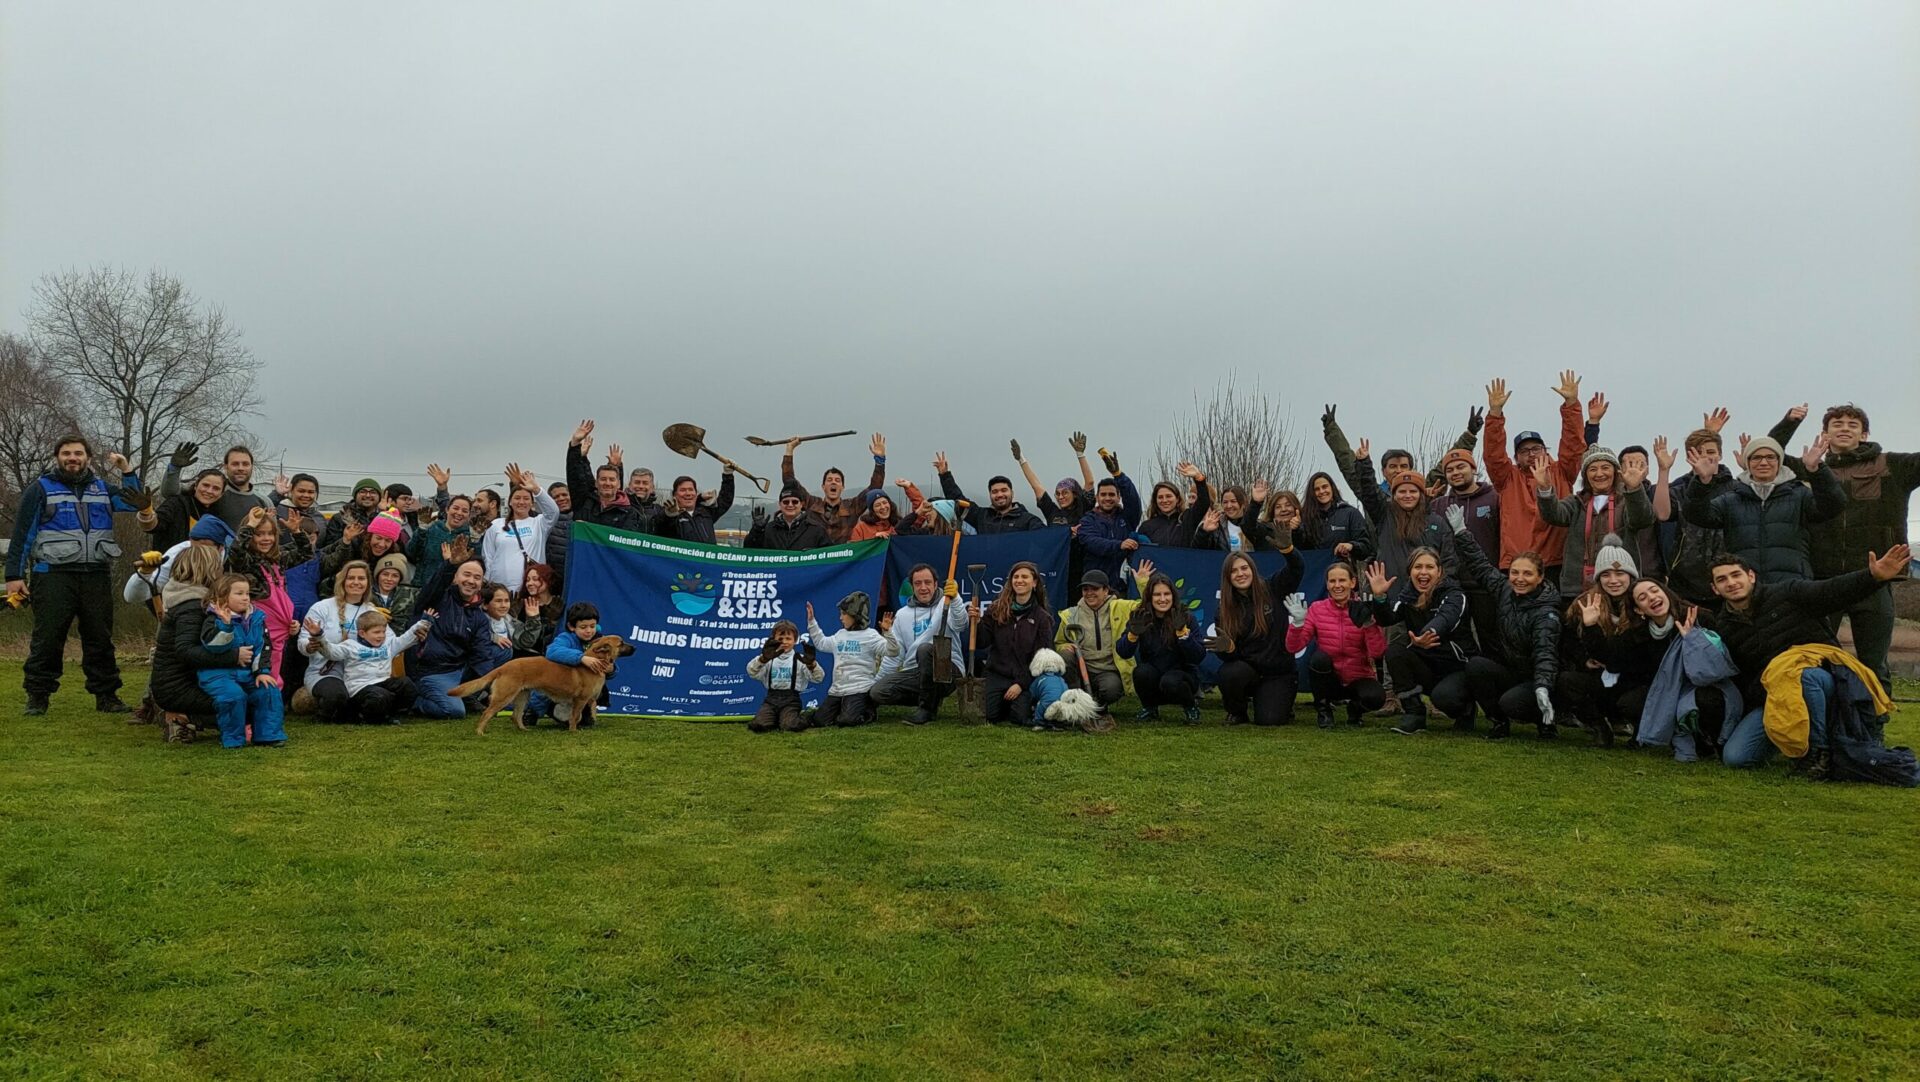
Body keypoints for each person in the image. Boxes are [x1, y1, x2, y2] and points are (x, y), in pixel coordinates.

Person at [1703, 546, 1911, 772]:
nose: (1731, 583)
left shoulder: (1788, 593)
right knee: (1736, 758)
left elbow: (1832, 590)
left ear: (1751, 576)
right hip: (1776, 695)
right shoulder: (1724, 628)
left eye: (1736, 575)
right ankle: (1796, 740)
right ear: (1715, 589)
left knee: (1801, 674)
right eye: (1722, 579)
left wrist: (1872, 577)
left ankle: (1817, 753)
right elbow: (1742, 680)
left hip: (1822, 682)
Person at [1772, 403, 1920, 689]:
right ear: (1825, 434)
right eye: (1836, 424)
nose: (1844, 428)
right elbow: (1770, 453)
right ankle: (1823, 727)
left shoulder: (1892, 466)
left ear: (1864, 435)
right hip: (1824, 580)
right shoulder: (1808, 469)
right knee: (1817, 660)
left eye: (1852, 425)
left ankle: (1872, 730)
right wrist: (1789, 421)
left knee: (1873, 665)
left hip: (1874, 578)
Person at [7, 435, 144, 716]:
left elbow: (134, 504)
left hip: (95, 573)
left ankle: (107, 696)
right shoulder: (40, 489)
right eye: (67, 453)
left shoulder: (102, 488)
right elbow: (22, 534)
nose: (73, 458)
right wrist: (14, 575)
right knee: (48, 638)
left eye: (78, 453)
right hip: (53, 575)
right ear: (57, 457)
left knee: (100, 638)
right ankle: (37, 696)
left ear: (88, 458)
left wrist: (127, 470)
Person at [1444, 504, 1561, 740]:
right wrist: (1461, 532)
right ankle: (1498, 722)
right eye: (1515, 573)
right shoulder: (1505, 591)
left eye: (1527, 574)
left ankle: (1545, 723)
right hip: (1512, 671)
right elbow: (1481, 566)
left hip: (1538, 678)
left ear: (1540, 578)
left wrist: (1542, 686)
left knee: (1512, 703)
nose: (1519, 579)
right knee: (1476, 666)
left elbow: (1545, 654)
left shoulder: (1547, 611)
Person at [1682, 434, 1845, 585]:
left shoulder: (1799, 494)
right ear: (1748, 463)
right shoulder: (1731, 499)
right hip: (1747, 587)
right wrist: (1702, 482)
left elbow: (1833, 506)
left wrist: (1817, 471)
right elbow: (1697, 515)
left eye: (1770, 457)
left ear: (1779, 461)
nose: (1764, 462)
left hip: (1792, 584)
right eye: (1756, 458)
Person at [1482, 371, 1588, 578]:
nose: (1531, 455)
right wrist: (1495, 414)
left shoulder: (1563, 471)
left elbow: (1573, 444)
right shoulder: (1506, 478)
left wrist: (1572, 405)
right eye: (1524, 451)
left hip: (1557, 562)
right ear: (1516, 457)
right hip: (1517, 565)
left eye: (1536, 449)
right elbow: (1493, 454)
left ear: (1546, 451)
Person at [1552, 539, 1651, 746]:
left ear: (1631, 576)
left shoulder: (1645, 605)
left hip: (1635, 680)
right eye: (1606, 575)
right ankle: (1599, 726)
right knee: (1567, 681)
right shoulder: (1584, 604)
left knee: (1633, 701)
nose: (1613, 580)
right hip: (1601, 677)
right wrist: (1585, 659)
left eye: (1619, 574)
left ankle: (1641, 732)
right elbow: (1569, 643)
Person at [1366, 551, 1472, 735]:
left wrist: (1428, 633)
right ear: (1410, 572)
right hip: (1428, 666)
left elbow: (1446, 618)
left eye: (1429, 567)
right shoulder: (1407, 596)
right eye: (1418, 567)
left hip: (1456, 667)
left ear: (1439, 572)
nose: (1423, 572)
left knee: (1444, 698)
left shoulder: (1454, 594)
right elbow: (1387, 619)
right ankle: (1414, 713)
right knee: (1395, 651)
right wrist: (1380, 597)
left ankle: (1466, 709)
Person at [1535, 446, 1653, 598]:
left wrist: (1634, 488)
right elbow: (1554, 515)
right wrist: (1545, 489)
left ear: (1616, 472)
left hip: (1621, 586)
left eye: (1605, 468)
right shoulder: (1576, 502)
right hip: (1578, 588)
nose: (1599, 474)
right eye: (1592, 469)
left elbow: (1642, 519)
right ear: (1585, 476)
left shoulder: (1626, 500)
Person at [1210, 547, 1306, 726]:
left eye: (1244, 568)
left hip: (1279, 673)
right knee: (1229, 673)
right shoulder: (1224, 610)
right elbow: (1228, 657)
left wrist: (1288, 549)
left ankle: (1280, 702)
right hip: (1249, 671)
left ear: (1252, 569)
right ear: (1227, 577)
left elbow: (1297, 568)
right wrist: (1228, 649)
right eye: (1234, 571)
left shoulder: (1274, 587)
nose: (1240, 574)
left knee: (1269, 720)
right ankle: (1237, 712)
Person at [1286, 562, 1388, 728]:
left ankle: (1355, 710)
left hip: (1358, 678)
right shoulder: (1316, 609)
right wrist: (1297, 624)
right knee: (1319, 659)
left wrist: (1369, 624)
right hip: (1330, 679)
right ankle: (1324, 710)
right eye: (1332, 581)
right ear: (1327, 584)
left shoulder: (1363, 609)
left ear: (1352, 583)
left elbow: (1377, 653)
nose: (1337, 585)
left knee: (1376, 698)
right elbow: (1294, 647)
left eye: (1342, 580)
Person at [194, 573, 287, 748]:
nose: (245, 598)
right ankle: (233, 739)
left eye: (247, 593)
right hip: (218, 675)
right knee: (233, 696)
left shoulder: (256, 618)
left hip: (247, 673)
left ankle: (269, 735)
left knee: (269, 690)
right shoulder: (213, 618)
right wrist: (226, 625)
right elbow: (214, 647)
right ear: (222, 596)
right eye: (239, 593)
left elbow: (264, 647)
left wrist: (262, 672)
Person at [149, 544, 229, 743]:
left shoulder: (182, 598)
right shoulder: (192, 606)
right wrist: (234, 656)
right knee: (241, 706)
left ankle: (183, 718)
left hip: (174, 684)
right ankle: (182, 719)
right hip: (177, 688)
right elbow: (186, 651)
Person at [870, 564, 968, 724]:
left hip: (948, 670)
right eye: (918, 583)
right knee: (878, 691)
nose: (923, 588)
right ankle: (932, 699)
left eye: (928, 582)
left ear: (936, 584)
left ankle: (926, 711)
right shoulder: (902, 615)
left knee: (925, 649)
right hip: (916, 672)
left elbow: (961, 625)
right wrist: (873, 687)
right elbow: (894, 655)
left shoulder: (948, 602)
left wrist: (956, 598)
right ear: (912, 586)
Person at [226, 505, 311, 685]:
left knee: (275, 671)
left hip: (281, 631)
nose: (266, 539)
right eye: (260, 534)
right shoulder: (247, 563)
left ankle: (271, 704)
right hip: (259, 631)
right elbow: (236, 552)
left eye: (270, 534)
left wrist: (296, 531)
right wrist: (249, 526)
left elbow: (306, 553)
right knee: (257, 673)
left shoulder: (277, 560)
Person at [1429, 448, 1502, 654]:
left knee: (1491, 639)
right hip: (1452, 584)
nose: (1456, 472)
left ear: (1473, 468)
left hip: (1486, 585)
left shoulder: (1494, 498)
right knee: (1456, 641)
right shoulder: (1437, 505)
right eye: (1450, 470)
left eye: (1461, 466)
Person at [968, 561, 1056, 726]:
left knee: (1019, 718)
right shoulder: (996, 609)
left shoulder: (1042, 618)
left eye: (1025, 577)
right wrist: (977, 622)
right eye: (1016, 577)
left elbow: (1042, 659)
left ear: (1035, 582)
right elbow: (981, 642)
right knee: (988, 715)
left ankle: (1024, 703)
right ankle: (1002, 703)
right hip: (997, 674)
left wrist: (1021, 684)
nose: (1019, 580)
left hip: (1024, 677)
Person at [410, 556, 498, 719]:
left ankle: (468, 695)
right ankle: (412, 700)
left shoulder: (479, 616)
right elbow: (434, 585)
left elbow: (482, 655)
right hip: (431, 671)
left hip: (459, 671)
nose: (471, 581)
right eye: (466, 574)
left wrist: (496, 687)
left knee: (501, 652)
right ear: (455, 577)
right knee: (454, 711)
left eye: (477, 577)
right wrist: (449, 565)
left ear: (481, 584)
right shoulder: (436, 598)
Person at [1116, 563, 1205, 722]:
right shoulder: (1140, 616)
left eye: (1167, 594)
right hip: (1154, 673)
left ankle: (1190, 706)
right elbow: (1123, 652)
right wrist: (1132, 634)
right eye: (1157, 595)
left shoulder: (1186, 617)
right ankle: (1149, 708)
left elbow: (1198, 656)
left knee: (1170, 681)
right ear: (1150, 597)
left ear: (1173, 595)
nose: (1162, 599)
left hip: (1182, 676)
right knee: (1141, 672)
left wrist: (1183, 634)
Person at [314, 611, 430, 724]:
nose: (381, 636)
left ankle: (393, 714)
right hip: (360, 688)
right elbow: (332, 652)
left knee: (407, 685)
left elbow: (405, 639)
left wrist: (423, 623)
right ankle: (364, 717)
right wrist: (319, 636)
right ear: (362, 633)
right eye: (376, 632)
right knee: (380, 696)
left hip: (382, 682)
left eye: (383, 632)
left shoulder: (388, 645)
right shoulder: (350, 646)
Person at [805, 593, 899, 727]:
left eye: (844, 614)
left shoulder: (871, 636)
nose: (840, 618)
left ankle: (868, 710)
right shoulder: (840, 635)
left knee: (847, 721)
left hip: (860, 689)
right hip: (837, 690)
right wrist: (812, 622)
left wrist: (888, 633)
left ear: (855, 614)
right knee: (820, 721)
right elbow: (821, 643)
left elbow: (893, 652)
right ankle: (842, 710)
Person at [298, 560, 376, 720]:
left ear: (368, 582)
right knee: (336, 695)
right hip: (324, 672)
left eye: (361, 578)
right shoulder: (321, 607)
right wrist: (310, 646)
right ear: (343, 581)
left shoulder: (372, 611)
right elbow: (302, 642)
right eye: (351, 578)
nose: (356, 582)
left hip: (358, 673)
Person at [1055, 569, 1138, 711]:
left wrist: (1142, 583)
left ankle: (1098, 705)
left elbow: (1147, 605)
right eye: (1085, 589)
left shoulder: (1121, 607)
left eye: (1095, 589)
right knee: (1065, 656)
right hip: (1080, 671)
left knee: (1111, 690)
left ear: (1106, 590)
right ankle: (1077, 702)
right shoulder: (1070, 615)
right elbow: (1059, 642)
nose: (1089, 593)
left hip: (1108, 671)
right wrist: (1064, 646)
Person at [783, 433, 887, 544]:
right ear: (823, 487)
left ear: (842, 487)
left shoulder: (852, 506)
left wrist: (879, 461)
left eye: (837, 481)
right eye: (829, 480)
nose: (833, 482)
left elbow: (874, 489)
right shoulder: (812, 504)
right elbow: (790, 483)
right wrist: (789, 450)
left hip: (843, 558)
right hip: (816, 557)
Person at [1070, 449, 1144, 593]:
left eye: (1112, 494)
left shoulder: (1127, 517)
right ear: (1097, 497)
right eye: (1103, 495)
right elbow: (1092, 542)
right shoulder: (1087, 520)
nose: (1107, 498)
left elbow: (1134, 500)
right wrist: (1119, 545)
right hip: (1096, 588)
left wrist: (1118, 475)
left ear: (1118, 497)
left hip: (1124, 587)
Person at [478, 464, 561, 593]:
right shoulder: (496, 525)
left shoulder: (539, 523)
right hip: (500, 588)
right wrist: (489, 584)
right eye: (517, 498)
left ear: (532, 503)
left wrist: (536, 489)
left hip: (530, 588)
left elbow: (554, 512)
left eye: (526, 499)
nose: (521, 502)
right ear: (510, 502)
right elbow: (488, 556)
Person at [534, 602, 616, 727]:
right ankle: (536, 711)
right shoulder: (565, 638)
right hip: (557, 690)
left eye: (592, 626)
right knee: (546, 698)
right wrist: (582, 658)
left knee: (586, 722)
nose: (589, 631)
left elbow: (609, 662)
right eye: (583, 627)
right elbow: (552, 651)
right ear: (572, 627)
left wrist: (611, 669)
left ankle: (583, 713)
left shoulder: (600, 640)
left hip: (582, 690)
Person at [565, 421, 652, 533]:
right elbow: (575, 477)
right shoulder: (585, 503)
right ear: (596, 483)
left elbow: (627, 543)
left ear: (619, 484)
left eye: (612, 480)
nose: (607, 483)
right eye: (603, 479)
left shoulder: (628, 513)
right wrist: (575, 445)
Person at [934, 452, 1045, 533]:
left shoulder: (1028, 520)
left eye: (1004, 490)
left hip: (1016, 565)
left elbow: (1046, 538)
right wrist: (944, 475)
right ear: (990, 495)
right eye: (995, 492)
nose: (1000, 495)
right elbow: (957, 499)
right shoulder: (981, 517)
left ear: (1012, 493)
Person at [747, 620, 824, 733]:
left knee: (790, 726)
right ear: (773, 639)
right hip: (771, 699)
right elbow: (751, 672)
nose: (784, 642)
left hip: (791, 700)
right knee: (759, 725)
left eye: (788, 639)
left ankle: (807, 717)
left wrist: (811, 664)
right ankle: (776, 717)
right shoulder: (767, 658)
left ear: (795, 640)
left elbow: (819, 678)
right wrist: (762, 659)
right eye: (780, 639)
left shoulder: (801, 659)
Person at [1294, 471, 1372, 562]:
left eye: (1325, 487)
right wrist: (1296, 531)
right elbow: (1299, 550)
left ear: (1332, 488)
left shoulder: (1350, 513)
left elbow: (1366, 547)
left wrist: (1351, 546)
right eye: (1317, 489)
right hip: (1313, 572)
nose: (1322, 491)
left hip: (1341, 572)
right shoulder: (1304, 517)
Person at [408, 493, 477, 589]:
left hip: (452, 589)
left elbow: (475, 563)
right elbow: (411, 553)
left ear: (469, 515)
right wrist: (421, 530)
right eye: (455, 508)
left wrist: (475, 541)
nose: (459, 513)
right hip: (423, 585)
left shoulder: (470, 535)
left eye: (465, 511)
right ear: (447, 509)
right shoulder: (431, 527)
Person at [148, 468, 226, 552]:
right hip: (169, 563)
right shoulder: (177, 503)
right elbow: (155, 525)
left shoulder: (219, 515)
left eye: (216, 488)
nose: (209, 491)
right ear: (196, 485)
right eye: (206, 485)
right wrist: (146, 511)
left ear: (222, 494)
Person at [1138, 463, 1213, 548]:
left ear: (1177, 499)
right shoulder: (1146, 526)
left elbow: (1203, 503)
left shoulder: (1187, 519)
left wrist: (1199, 479)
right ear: (1155, 501)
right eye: (1160, 497)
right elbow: (1137, 550)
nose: (1165, 500)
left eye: (1168, 496)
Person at [652, 467, 735, 544]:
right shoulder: (668, 516)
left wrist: (728, 475)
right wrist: (670, 515)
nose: (688, 494)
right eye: (683, 490)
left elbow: (725, 500)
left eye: (691, 490)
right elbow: (660, 526)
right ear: (675, 495)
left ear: (696, 494)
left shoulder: (705, 513)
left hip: (705, 559)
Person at [747, 483, 831, 550]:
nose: (790, 505)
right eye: (786, 502)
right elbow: (749, 552)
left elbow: (830, 557)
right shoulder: (768, 530)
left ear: (802, 504)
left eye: (794, 502)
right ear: (780, 504)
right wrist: (757, 531)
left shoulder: (817, 530)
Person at [322, 478, 385, 549]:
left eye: (373, 492)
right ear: (355, 495)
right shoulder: (340, 518)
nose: (368, 495)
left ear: (379, 497)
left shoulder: (385, 517)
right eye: (362, 492)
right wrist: (347, 539)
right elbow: (329, 548)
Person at [271, 472, 323, 548]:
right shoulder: (278, 512)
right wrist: (277, 494)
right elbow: (258, 511)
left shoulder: (319, 518)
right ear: (291, 491)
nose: (306, 495)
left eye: (311, 492)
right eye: (301, 491)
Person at [369, 553, 419, 625]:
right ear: (378, 575)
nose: (389, 579)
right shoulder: (365, 593)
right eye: (385, 574)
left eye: (395, 576)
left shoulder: (411, 594)